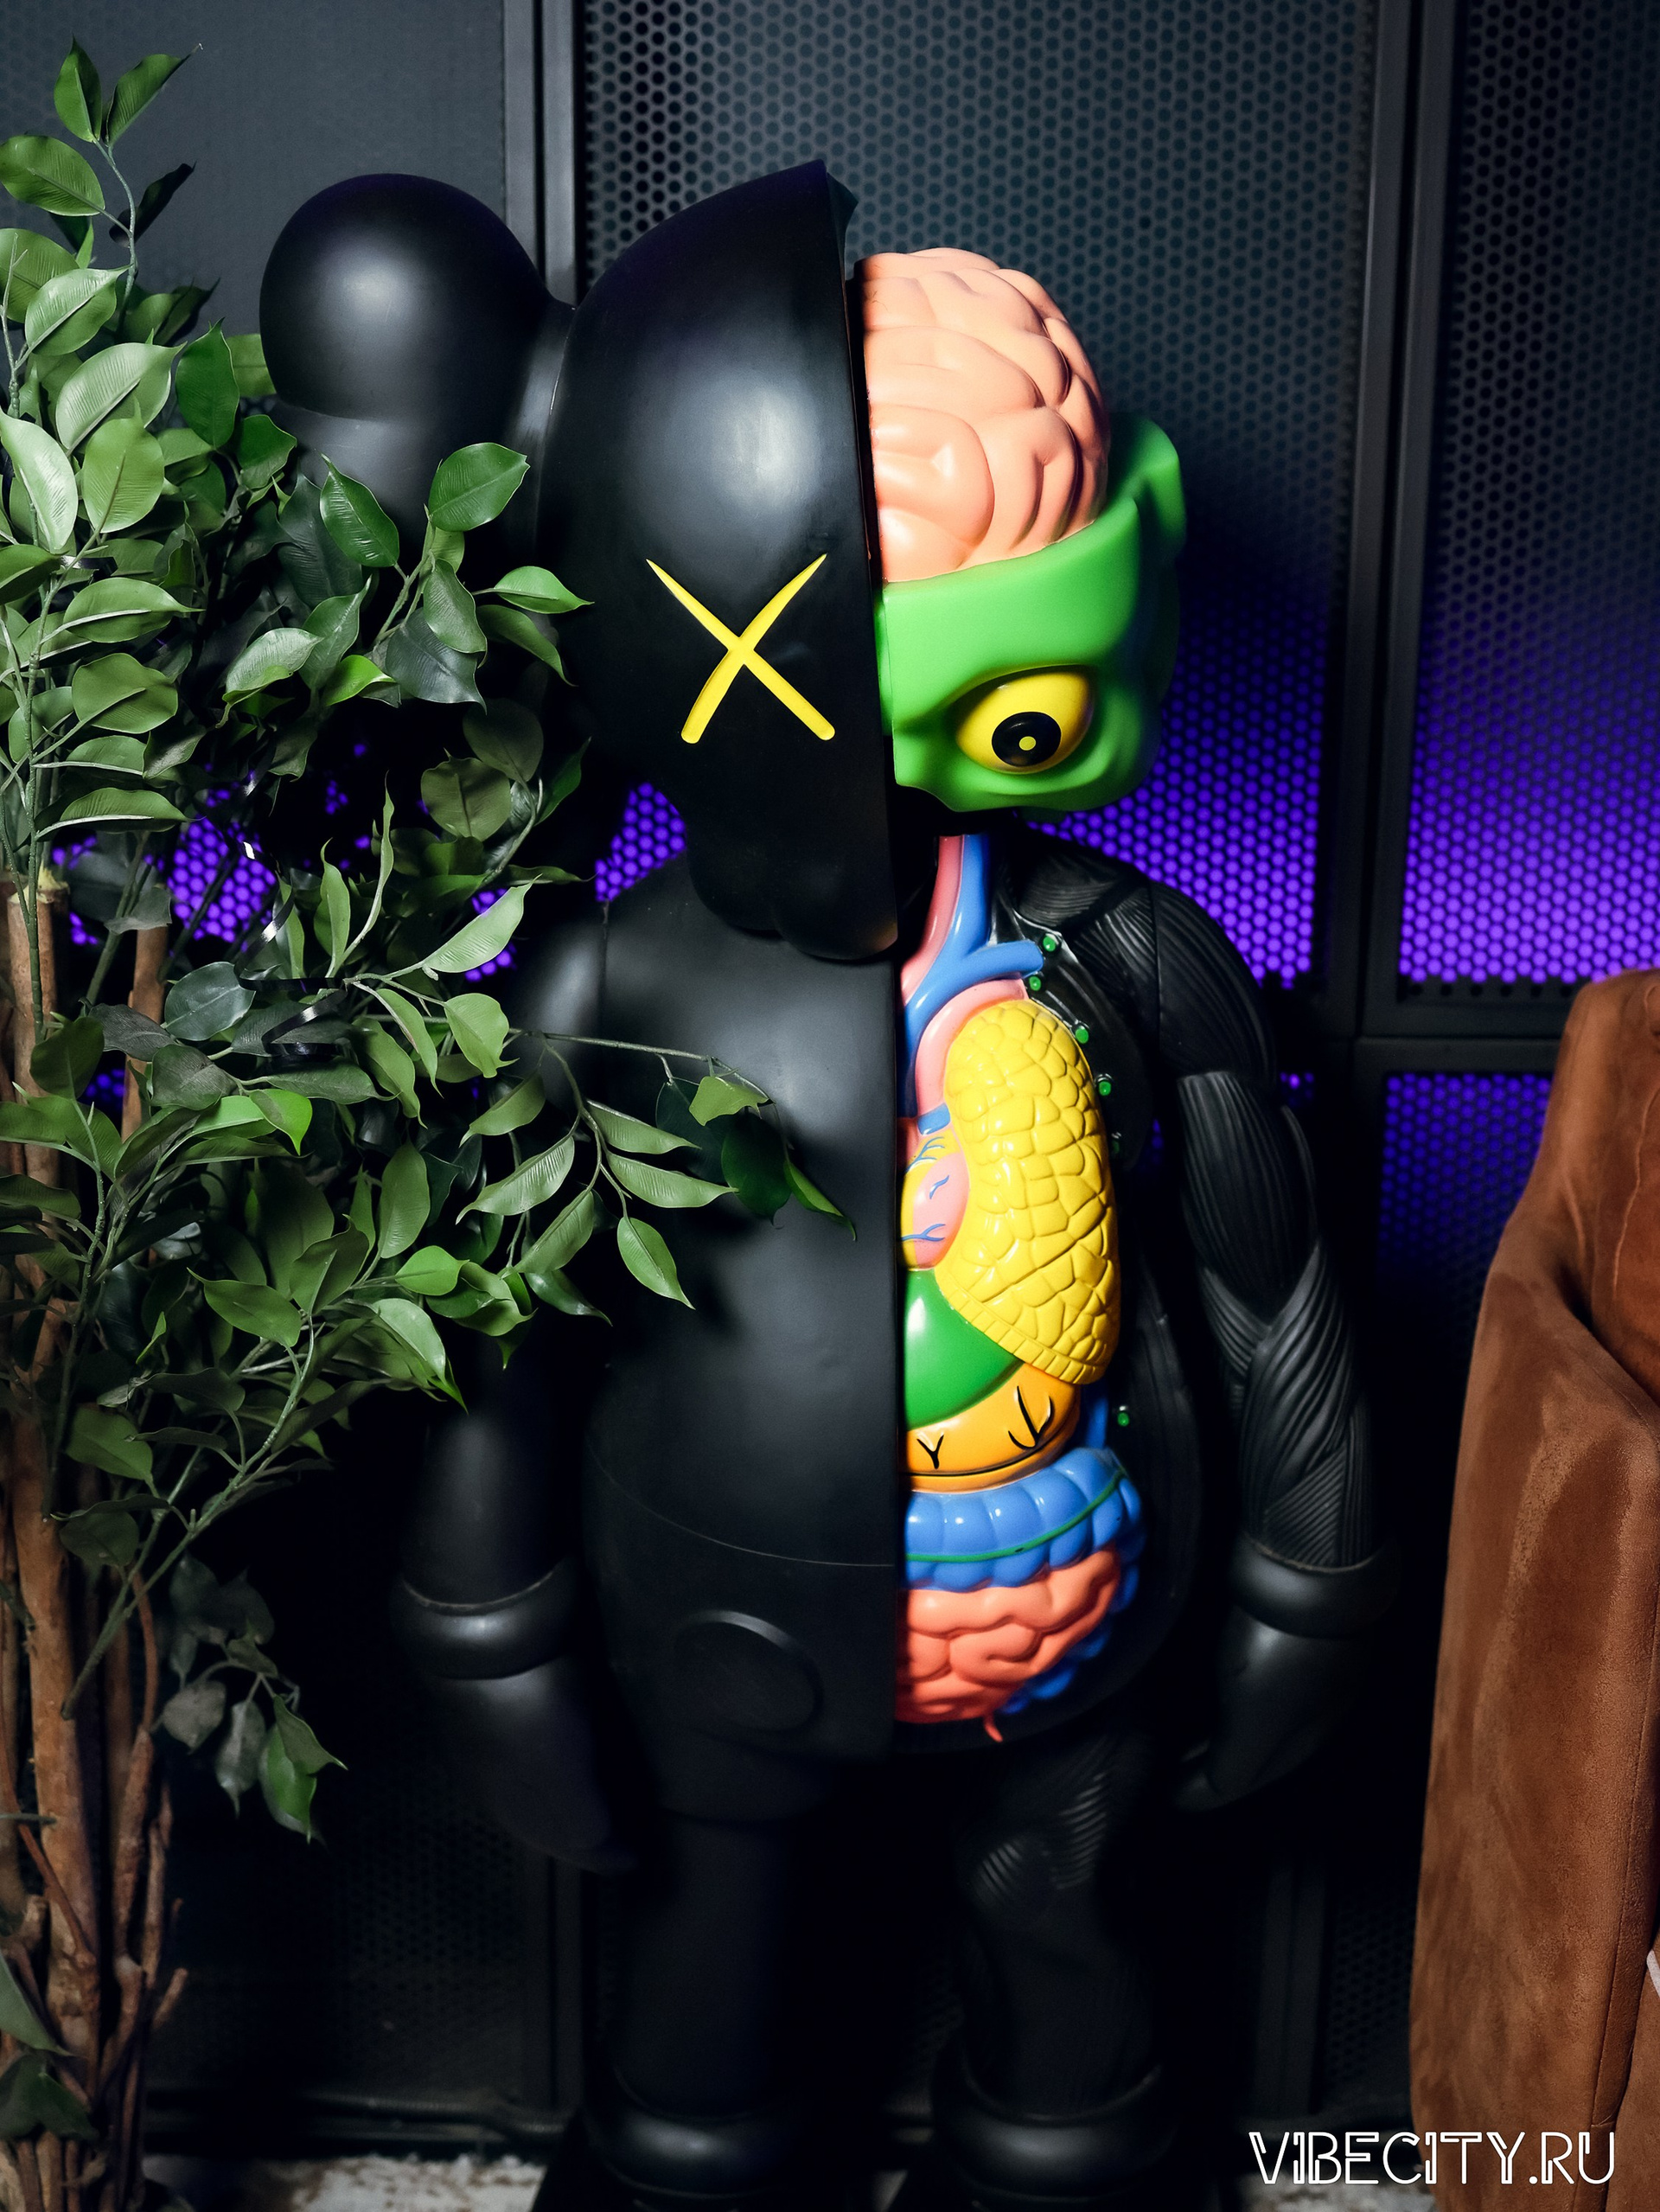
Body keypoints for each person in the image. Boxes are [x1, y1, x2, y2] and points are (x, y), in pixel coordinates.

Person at [262, 164, 1395, 2212]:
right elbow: (503, 1331)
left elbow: (1268, 1288)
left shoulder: (1134, 956)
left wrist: (1303, 1589)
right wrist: (491, 1625)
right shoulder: (615, 981)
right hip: (715, 1617)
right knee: (704, 2006)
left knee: (1068, 1980)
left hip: (1073, 1611)